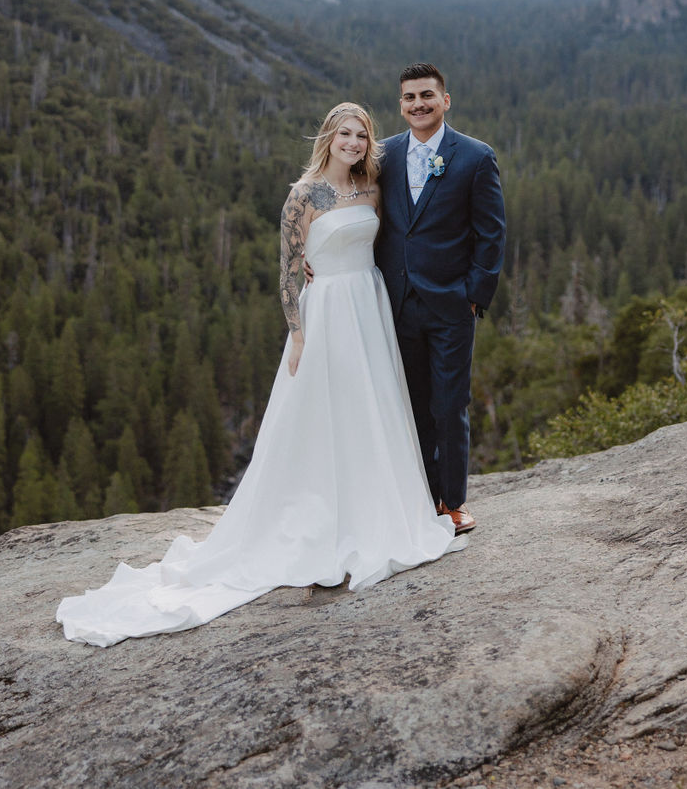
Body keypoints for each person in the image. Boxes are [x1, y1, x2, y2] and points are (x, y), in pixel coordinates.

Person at [56, 102, 461, 647]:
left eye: (362, 135)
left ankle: (379, 508)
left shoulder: (372, 188)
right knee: (325, 413)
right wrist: (297, 333)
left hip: (370, 306)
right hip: (329, 313)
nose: (354, 143)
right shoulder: (303, 195)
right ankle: (319, 519)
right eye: (345, 134)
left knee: (374, 409)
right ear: (327, 137)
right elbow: (290, 269)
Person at [374, 64, 506, 535]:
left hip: (452, 305)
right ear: (401, 104)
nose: (418, 104)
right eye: (409, 98)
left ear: (445, 100)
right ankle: (418, 498)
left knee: (449, 406)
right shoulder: (383, 154)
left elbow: (492, 235)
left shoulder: (473, 156)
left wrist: (474, 295)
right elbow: (349, 203)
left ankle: (451, 501)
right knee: (409, 405)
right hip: (396, 304)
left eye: (427, 95)